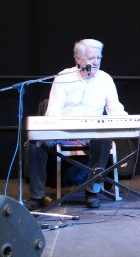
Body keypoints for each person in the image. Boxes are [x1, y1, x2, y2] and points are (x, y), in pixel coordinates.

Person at [27, 39, 127, 210]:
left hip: (92, 132)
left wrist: (131, 121)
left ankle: (92, 190)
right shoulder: (64, 77)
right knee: (35, 143)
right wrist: (56, 130)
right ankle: (37, 196)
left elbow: (115, 110)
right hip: (63, 131)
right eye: (91, 58)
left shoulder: (105, 79)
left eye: (99, 58)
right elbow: (53, 112)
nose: (96, 62)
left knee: (104, 139)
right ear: (77, 59)